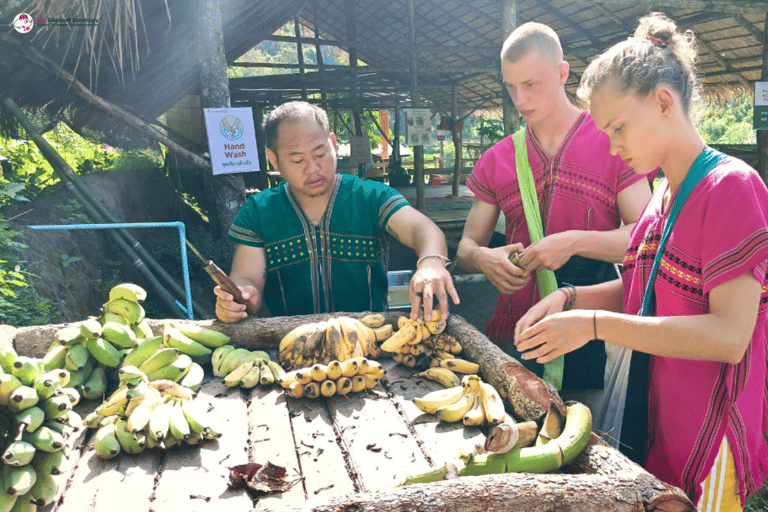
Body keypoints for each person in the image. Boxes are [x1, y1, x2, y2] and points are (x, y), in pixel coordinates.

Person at [514, 13, 768, 510]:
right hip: (657, 422)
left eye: (618, 127)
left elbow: (729, 337)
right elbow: (643, 293)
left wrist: (592, 324)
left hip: (708, 436)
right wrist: (570, 299)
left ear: (664, 103)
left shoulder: (731, 188)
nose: (612, 145)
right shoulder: (659, 196)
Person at [456, 22, 652, 396]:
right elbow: (465, 248)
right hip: (519, 333)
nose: (521, 99)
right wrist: (484, 259)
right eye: (511, 87)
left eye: (531, 84)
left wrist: (574, 242)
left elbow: (645, 240)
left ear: (562, 73)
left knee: (590, 436)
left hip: (593, 328)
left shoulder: (613, 142)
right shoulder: (498, 158)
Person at [215, 101, 459, 323]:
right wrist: (239, 299)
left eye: (320, 154)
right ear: (274, 160)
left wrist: (431, 262)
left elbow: (422, 229)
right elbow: (246, 278)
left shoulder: (371, 197)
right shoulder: (259, 211)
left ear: (333, 143)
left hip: (371, 341)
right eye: (297, 160)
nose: (313, 169)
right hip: (292, 344)